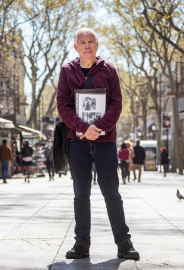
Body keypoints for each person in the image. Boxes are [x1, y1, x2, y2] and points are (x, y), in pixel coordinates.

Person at [57, 27, 139, 260]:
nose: (87, 46)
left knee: (112, 193)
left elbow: (116, 104)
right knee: (81, 194)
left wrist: (99, 128)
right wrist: (84, 129)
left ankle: (124, 243)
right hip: (77, 142)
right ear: (75, 47)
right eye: (82, 42)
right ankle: (81, 243)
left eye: (91, 41)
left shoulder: (109, 70)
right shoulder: (66, 71)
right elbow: (63, 105)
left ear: (97, 44)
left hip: (105, 143)